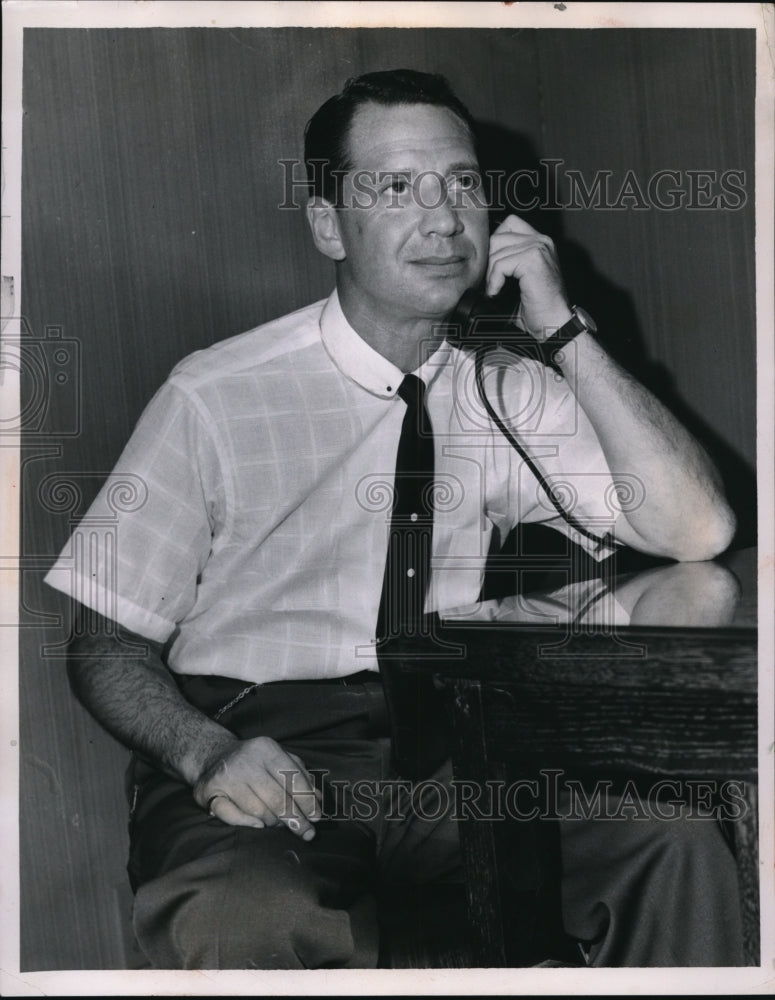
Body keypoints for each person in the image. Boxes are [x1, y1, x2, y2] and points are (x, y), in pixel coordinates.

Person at [45, 69, 744, 969]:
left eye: (461, 183)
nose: (444, 217)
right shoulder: (215, 396)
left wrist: (562, 326)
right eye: (395, 186)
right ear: (329, 224)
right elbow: (103, 643)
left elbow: (697, 532)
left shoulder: (507, 387)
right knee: (245, 913)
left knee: (671, 847)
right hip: (264, 747)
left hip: (457, 755)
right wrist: (205, 751)